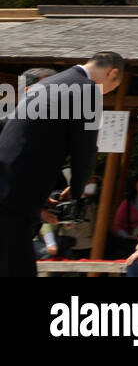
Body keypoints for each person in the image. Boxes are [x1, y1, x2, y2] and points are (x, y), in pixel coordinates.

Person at [0, 52, 125, 277]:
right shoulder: (87, 90)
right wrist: (77, 191)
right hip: (15, 196)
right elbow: (85, 151)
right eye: (112, 87)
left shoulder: (46, 84)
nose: (107, 93)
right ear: (112, 72)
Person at [111, 173, 138, 259]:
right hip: (128, 243)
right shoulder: (126, 203)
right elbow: (117, 225)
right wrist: (127, 236)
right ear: (135, 184)